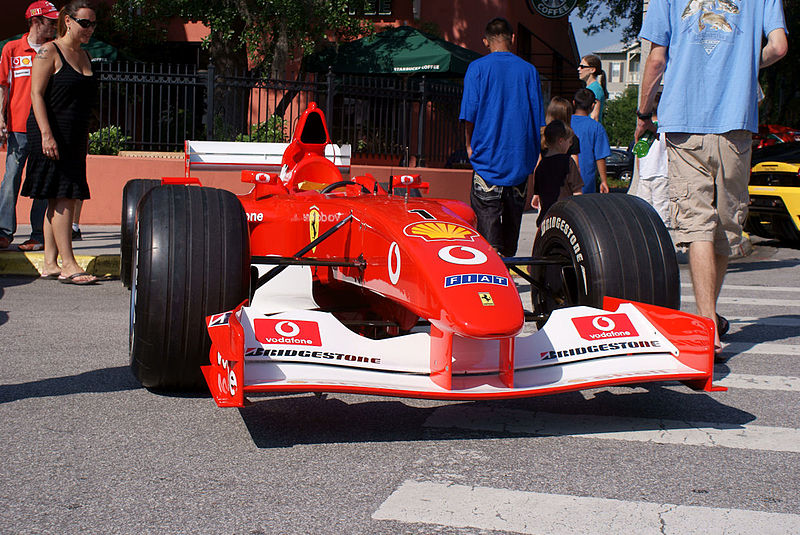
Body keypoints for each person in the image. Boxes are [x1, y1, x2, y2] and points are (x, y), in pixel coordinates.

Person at [637, 0, 787, 356]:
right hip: (736, 120)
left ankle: (706, 325)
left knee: (698, 225)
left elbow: (657, 59)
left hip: (683, 120)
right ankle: (709, 318)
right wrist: (746, 61)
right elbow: (779, 47)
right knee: (723, 225)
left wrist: (644, 112)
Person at [21, 0, 99, 284]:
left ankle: (51, 263)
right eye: (84, 23)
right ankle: (69, 264)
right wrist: (46, 134)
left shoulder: (85, 55)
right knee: (64, 195)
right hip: (50, 132)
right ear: (67, 20)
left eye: (93, 23)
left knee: (59, 195)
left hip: (74, 135)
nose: (89, 29)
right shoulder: (48, 52)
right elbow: (36, 95)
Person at [460, 17, 545, 257]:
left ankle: (491, 279)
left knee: (486, 234)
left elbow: (469, 114)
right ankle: (507, 271)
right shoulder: (529, 71)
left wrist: (468, 145)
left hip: (486, 159)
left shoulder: (477, 68)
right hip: (519, 162)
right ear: (513, 39)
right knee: (511, 229)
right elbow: (537, 119)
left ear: (485, 41)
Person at [0, 1, 58, 251]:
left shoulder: (52, 50)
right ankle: (3, 232)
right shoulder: (12, 48)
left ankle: (38, 234)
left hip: (44, 128)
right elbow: (3, 85)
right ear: (36, 21)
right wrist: (0, 117)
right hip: (17, 127)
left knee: (41, 181)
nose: (55, 26)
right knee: (11, 178)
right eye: (51, 22)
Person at [531, 120, 583, 227]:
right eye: (569, 141)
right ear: (561, 141)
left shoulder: (541, 165)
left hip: (546, 217)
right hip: (565, 216)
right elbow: (577, 192)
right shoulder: (568, 162)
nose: (570, 145)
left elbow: (538, 195)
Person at [634, 101, 668, 225]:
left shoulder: (659, 128)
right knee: (659, 209)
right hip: (657, 173)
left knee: (646, 209)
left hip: (653, 174)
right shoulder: (663, 128)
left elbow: (638, 154)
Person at [571, 89, 610, 194]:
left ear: (574, 103)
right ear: (593, 106)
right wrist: (604, 181)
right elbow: (600, 157)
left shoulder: (564, 122)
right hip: (585, 181)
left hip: (563, 180)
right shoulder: (596, 127)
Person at [577, 54, 608, 122]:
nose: (579, 69)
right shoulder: (591, 88)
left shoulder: (595, 89)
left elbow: (594, 117)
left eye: (582, 67)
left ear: (592, 70)